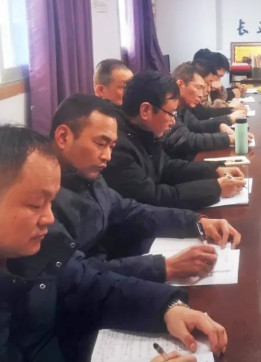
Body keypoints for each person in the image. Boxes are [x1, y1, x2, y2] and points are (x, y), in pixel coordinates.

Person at [0, 125, 228, 361]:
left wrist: (167, 308)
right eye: (36, 205)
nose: (49, 218)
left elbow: (89, 285)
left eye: (51, 202)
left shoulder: (25, 245)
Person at [50, 94, 241, 283]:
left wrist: (196, 222)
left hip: (114, 271)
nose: (107, 156)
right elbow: (72, 276)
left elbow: (130, 211)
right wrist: (164, 267)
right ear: (63, 137)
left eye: (111, 146)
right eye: (100, 144)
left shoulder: (85, 173)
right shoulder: (44, 193)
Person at [100, 71, 246, 210]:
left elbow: (167, 167)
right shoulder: (117, 146)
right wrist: (215, 188)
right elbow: (152, 197)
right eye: (170, 113)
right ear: (145, 110)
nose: (173, 121)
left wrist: (215, 170)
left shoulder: (145, 131)